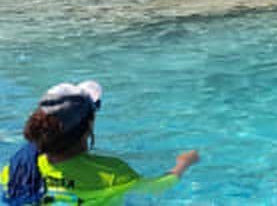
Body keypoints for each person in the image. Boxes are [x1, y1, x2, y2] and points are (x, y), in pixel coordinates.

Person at [1, 81, 199, 205]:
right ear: (87, 128)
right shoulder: (111, 173)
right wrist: (183, 164)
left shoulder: (15, 169)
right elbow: (157, 187)